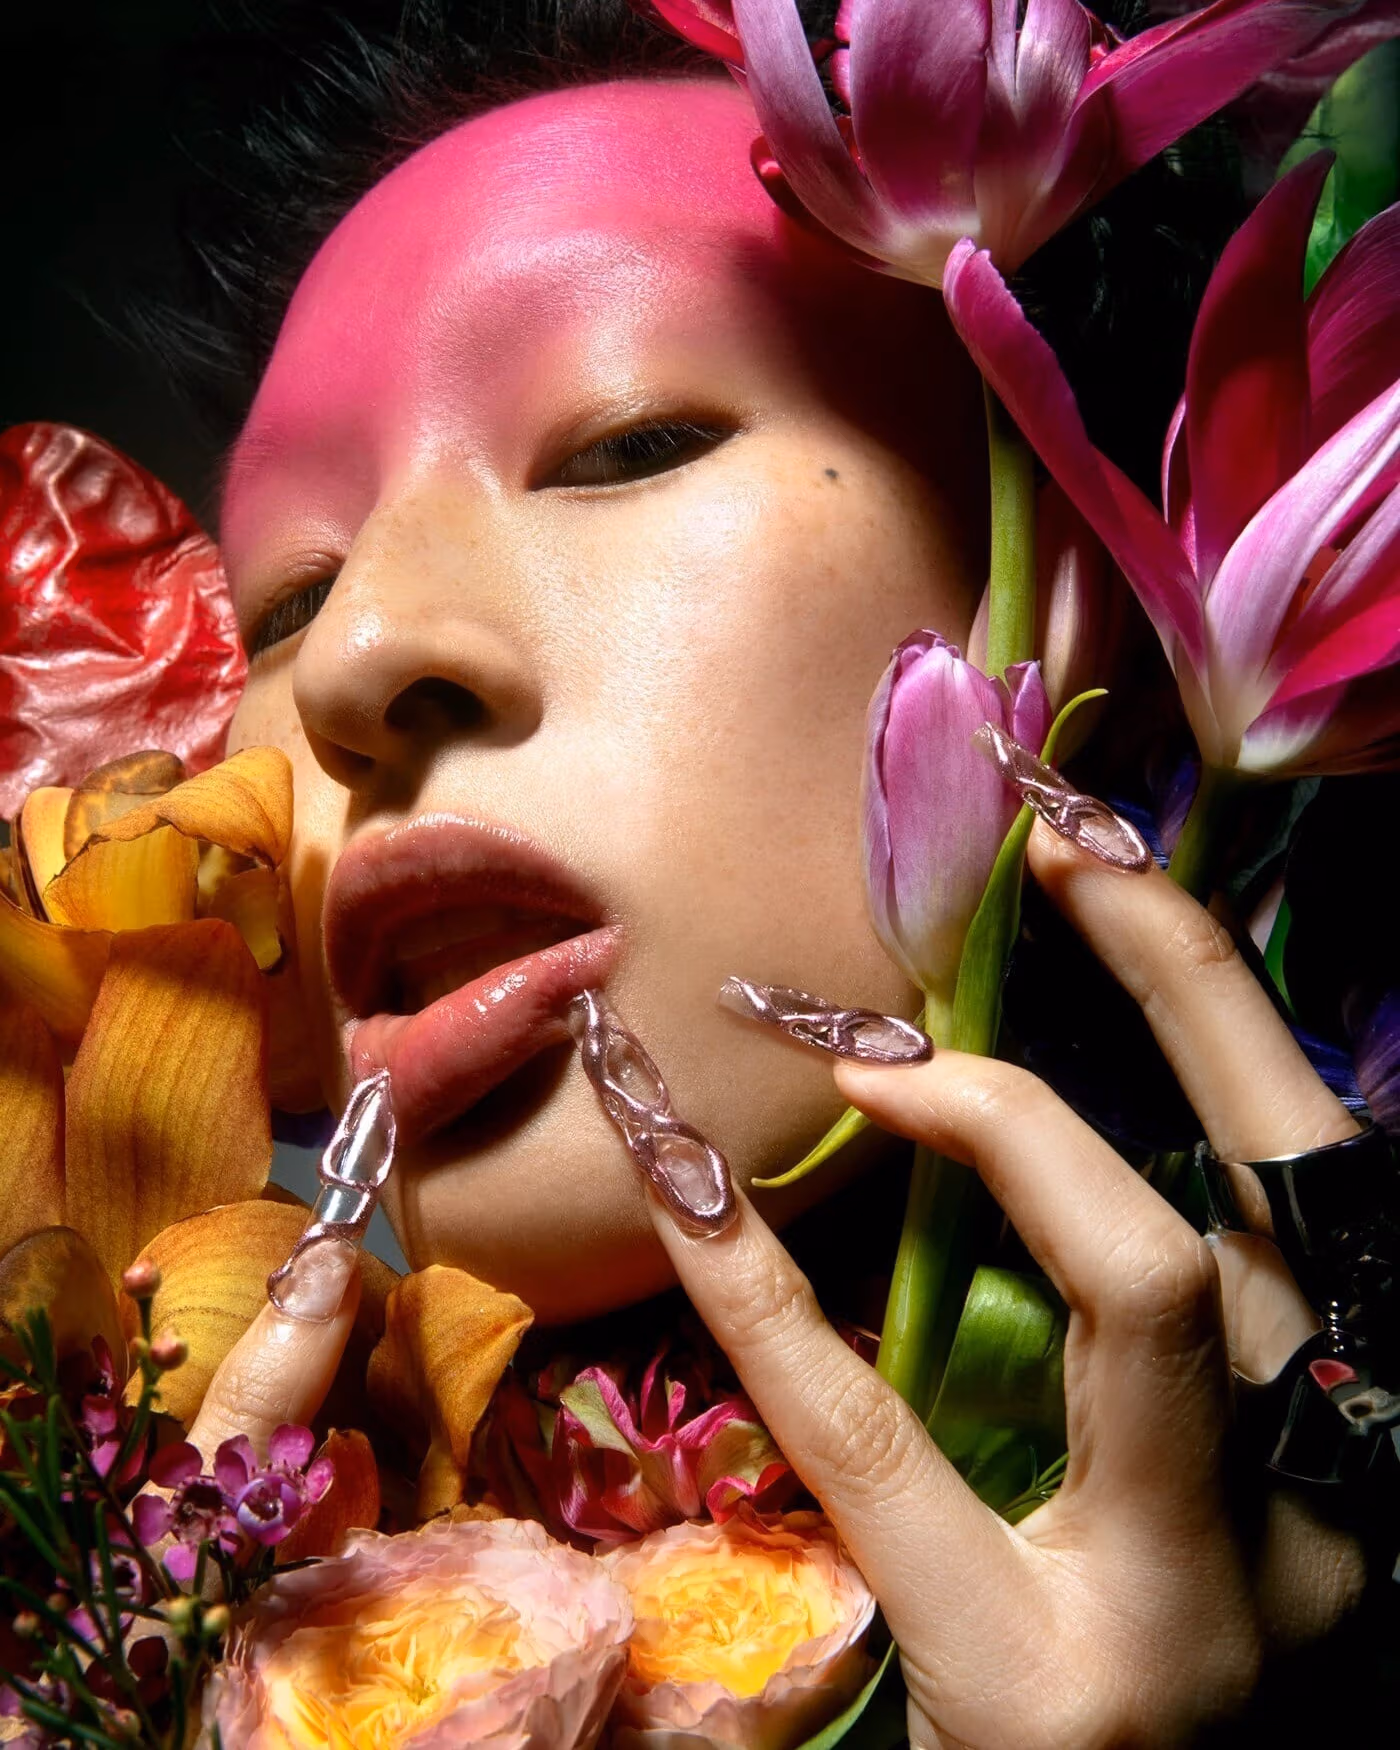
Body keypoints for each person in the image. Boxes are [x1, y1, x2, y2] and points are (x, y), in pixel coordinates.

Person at [106, 1, 1392, 1740]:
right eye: (289, 595)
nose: (355, 661)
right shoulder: (125, 1583)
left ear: (1084, 597)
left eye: (631, 442)